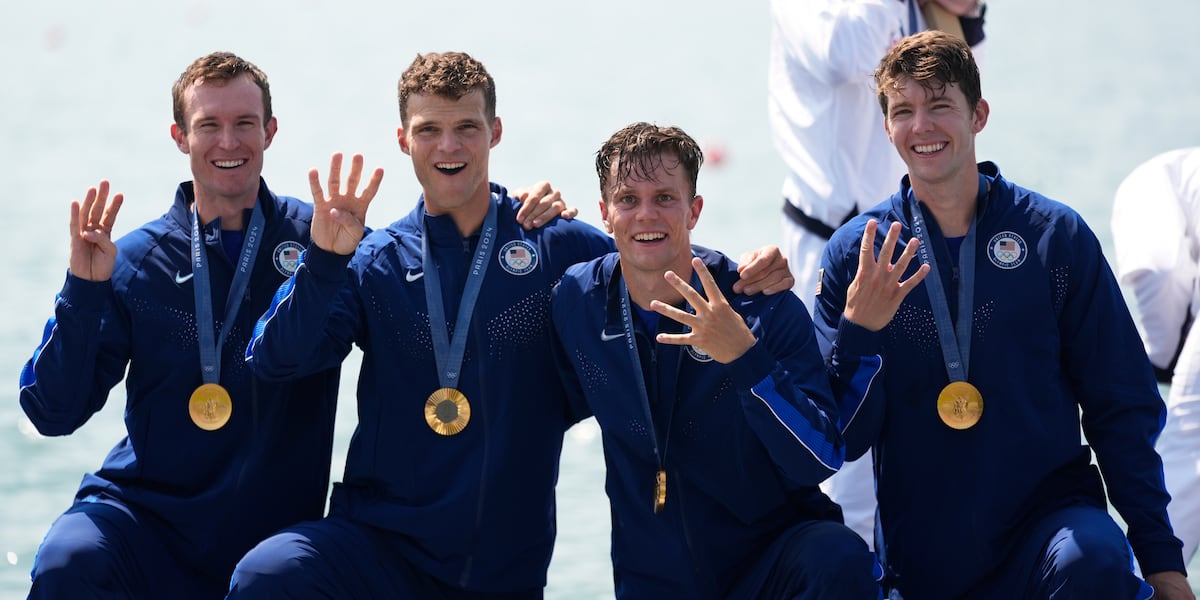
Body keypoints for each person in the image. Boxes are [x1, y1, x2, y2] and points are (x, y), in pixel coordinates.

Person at [227, 52, 794, 597]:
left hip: (501, 571)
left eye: (467, 127)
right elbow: (274, 360)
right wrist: (324, 262)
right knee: (269, 575)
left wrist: (747, 271)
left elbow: (650, 257)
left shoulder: (554, 244)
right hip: (382, 549)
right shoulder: (375, 260)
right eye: (429, 130)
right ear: (403, 141)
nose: (449, 147)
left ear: (495, 132)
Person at [16, 51, 573, 598]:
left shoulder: (328, 236)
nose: (228, 142)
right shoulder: (134, 260)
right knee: (69, 561)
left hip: (270, 530)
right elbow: (52, 412)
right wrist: (83, 294)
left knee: (273, 574)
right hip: (144, 522)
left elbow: (444, 256)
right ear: (180, 136)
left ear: (271, 131)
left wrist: (519, 216)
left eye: (244, 124)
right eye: (209, 124)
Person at [812, 31, 1195, 599]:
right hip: (923, 552)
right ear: (887, 126)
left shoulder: (1053, 238)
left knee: (1094, 561)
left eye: (940, 105)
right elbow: (839, 438)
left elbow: (1122, 406)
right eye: (903, 111)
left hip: (1050, 532)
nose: (922, 126)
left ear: (979, 114)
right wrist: (859, 331)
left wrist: (1163, 563)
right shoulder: (859, 253)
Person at [550, 122, 921, 598]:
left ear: (694, 210)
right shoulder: (576, 301)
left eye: (665, 197)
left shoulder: (761, 305)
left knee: (839, 557)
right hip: (654, 578)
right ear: (605, 213)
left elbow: (821, 459)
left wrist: (746, 359)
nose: (646, 215)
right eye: (628, 200)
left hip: (771, 566)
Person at [768, 0, 987, 547]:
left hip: (926, 253)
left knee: (937, 438)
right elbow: (853, 54)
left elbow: (966, 76)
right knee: (845, 460)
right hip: (830, 250)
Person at [1112, 146, 1200, 566]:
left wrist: (1162, 355)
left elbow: (1159, 272)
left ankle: (1148, 584)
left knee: (1189, 450)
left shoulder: (1141, 185)